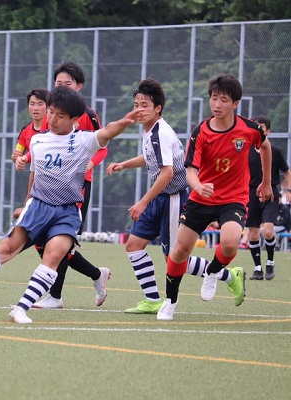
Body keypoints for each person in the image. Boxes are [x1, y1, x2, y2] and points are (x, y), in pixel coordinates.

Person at [0, 85, 138, 324]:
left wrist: (125, 121)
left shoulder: (83, 141)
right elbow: (34, 175)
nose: (52, 118)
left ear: (74, 119)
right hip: (38, 206)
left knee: (53, 257)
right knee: (6, 249)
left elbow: (107, 132)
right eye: (51, 112)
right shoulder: (37, 141)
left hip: (67, 212)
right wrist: (26, 204)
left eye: (60, 115)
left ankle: (20, 309)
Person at [107, 78, 238, 314]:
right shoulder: (149, 131)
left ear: (157, 108)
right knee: (134, 246)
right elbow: (152, 159)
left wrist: (142, 201)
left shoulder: (161, 133)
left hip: (173, 198)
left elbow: (167, 173)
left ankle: (228, 275)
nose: (139, 110)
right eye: (136, 104)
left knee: (174, 258)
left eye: (144, 105)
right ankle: (153, 299)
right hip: (160, 198)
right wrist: (124, 164)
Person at [158, 74, 273, 321]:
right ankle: (170, 302)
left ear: (235, 103)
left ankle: (212, 272)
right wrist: (198, 186)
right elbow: (190, 171)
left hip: (233, 198)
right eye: (213, 98)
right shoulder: (201, 132)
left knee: (230, 242)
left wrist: (265, 181)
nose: (217, 104)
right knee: (179, 252)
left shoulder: (249, 129)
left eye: (223, 100)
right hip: (201, 199)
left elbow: (265, 146)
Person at [15, 62, 109, 310]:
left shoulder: (86, 115)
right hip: (47, 186)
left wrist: (90, 163)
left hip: (75, 188)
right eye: (58, 83)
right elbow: (45, 148)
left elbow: (103, 148)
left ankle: (55, 296)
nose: (62, 87)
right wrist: (26, 158)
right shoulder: (52, 115)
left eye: (67, 84)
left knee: (60, 241)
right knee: (44, 241)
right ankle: (96, 274)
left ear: (79, 86)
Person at [247, 115, 291, 280]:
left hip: (270, 193)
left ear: (268, 131)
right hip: (251, 194)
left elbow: (286, 171)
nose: (259, 131)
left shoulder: (274, 150)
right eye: (256, 127)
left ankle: (270, 263)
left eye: (262, 128)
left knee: (268, 231)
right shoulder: (247, 150)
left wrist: (289, 190)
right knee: (252, 234)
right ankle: (257, 269)